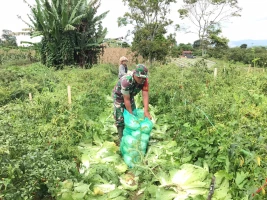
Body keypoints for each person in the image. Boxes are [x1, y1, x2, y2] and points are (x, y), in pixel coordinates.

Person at [112, 64, 152, 144]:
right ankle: (121, 140)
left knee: (134, 113)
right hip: (119, 97)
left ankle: (132, 135)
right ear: (134, 74)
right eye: (139, 77)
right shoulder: (126, 81)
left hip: (130, 96)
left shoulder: (144, 81)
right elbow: (126, 100)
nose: (141, 79)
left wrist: (146, 111)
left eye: (143, 78)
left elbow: (145, 95)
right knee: (120, 118)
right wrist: (130, 115)